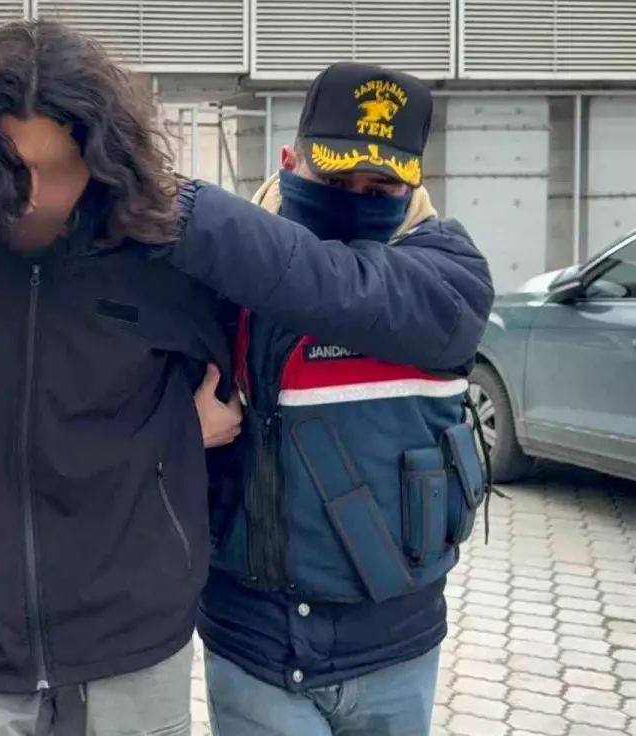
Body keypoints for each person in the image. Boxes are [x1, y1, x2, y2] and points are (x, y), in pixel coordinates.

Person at [0, 19, 244, 736]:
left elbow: (230, 386)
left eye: (63, 165)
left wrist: (179, 435)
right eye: (11, 168)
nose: (38, 194)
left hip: (136, 637)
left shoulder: (160, 243)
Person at [168, 63, 496, 735]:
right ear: (290, 162)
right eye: (335, 181)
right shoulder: (217, 277)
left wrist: (179, 205)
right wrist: (181, 430)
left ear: (414, 185)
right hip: (253, 646)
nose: (354, 200)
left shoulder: (450, 279)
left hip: (395, 651)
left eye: (379, 187)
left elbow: (328, 282)